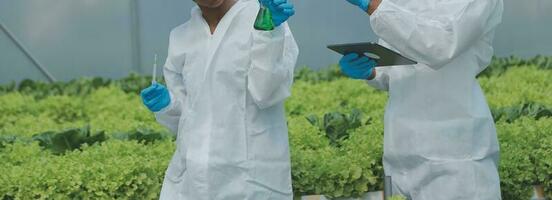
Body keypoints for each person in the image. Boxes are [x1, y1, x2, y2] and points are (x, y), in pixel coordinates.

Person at [339, 0, 504, 199]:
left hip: (455, 157)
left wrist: (374, 5)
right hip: (401, 153)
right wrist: (371, 72)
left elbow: (440, 46)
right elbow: (397, 68)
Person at [140, 0, 298, 199]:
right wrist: (167, 105)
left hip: (251, 180)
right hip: (192, 179)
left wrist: (269, 33)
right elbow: (186, 119)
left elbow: (266, 93)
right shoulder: (181, 37)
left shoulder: (265, 18)